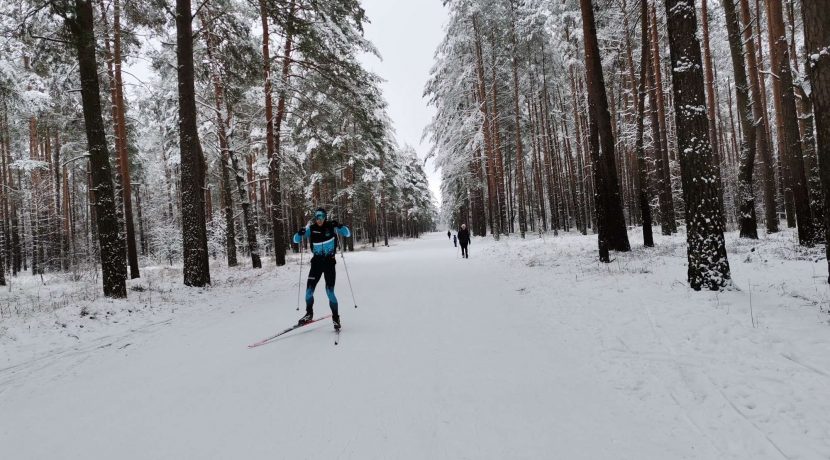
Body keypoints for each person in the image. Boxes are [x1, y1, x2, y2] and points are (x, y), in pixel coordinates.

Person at [292, 208, 351, 330]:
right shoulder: (311, 229)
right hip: (316, 264)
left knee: (330, 292)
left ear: (325, 217)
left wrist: (339, 225)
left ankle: (335, 318)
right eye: (317, 217)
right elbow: (295, 240)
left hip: (329, 263)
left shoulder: (331, 226)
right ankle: (309, 314)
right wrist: (299, 233)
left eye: (322, 217)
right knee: (308, 292)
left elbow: (347, 233)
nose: (319, 220)